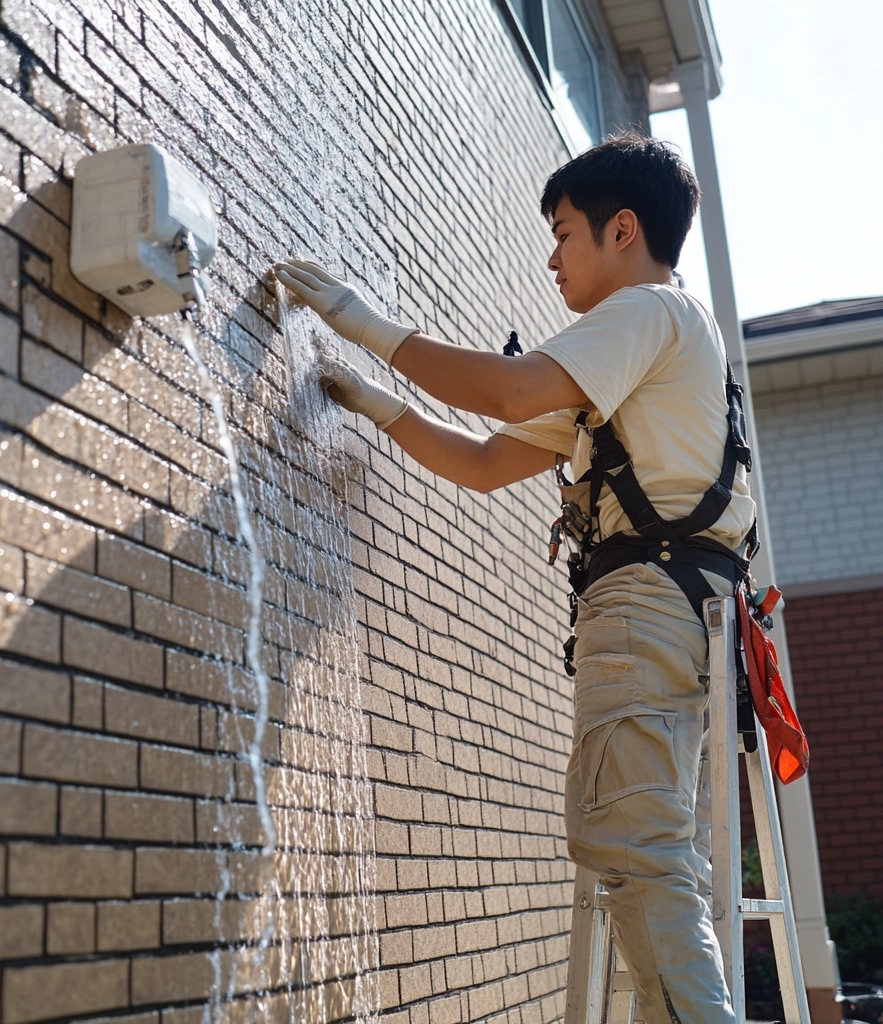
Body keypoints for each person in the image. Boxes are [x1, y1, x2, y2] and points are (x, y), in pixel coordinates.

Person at [274, 131, 756, 1024]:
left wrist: (364, 321)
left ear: (622, 231)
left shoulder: (648, 312)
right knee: (649, 858)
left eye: (564, 232)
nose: (550, 257)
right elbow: (488, 460)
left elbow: (503, 392)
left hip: (649, 601)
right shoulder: (640, 350)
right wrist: (379, 405)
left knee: (638, 855)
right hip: (677, 606)